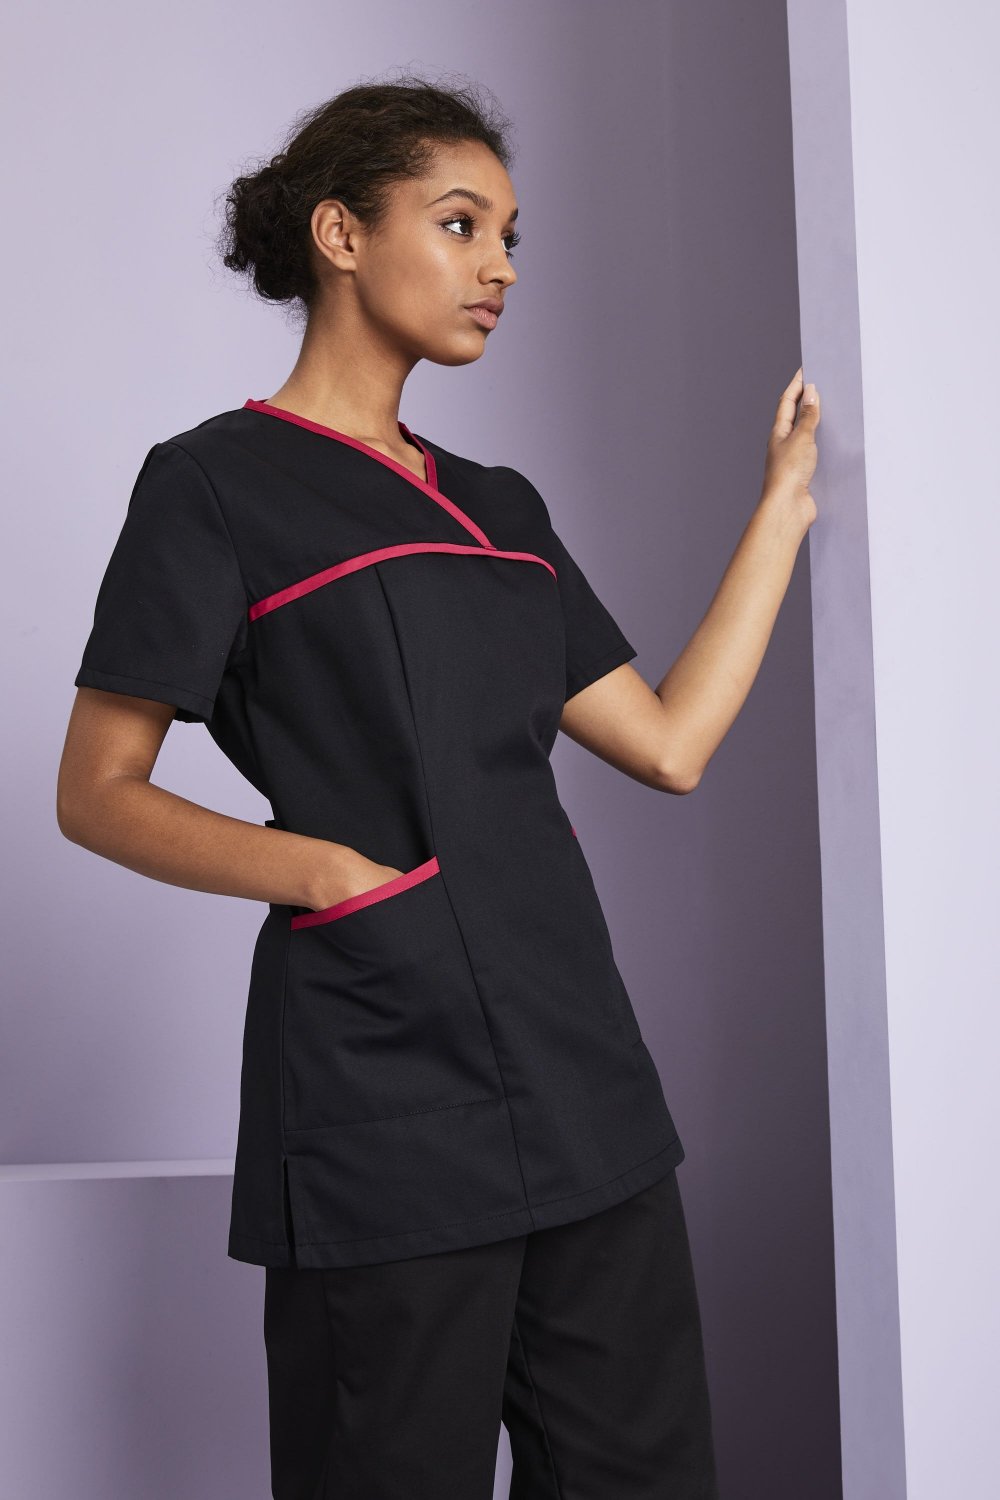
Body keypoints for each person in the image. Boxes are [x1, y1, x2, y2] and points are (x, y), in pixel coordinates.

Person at [57, 72, 819, 1500]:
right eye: (462, 225)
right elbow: (97, 789)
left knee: (645, 1474)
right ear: (341, 235)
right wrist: (327, 872)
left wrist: (781, 506)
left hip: (582, 1075)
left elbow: (669, 744)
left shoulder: (501, 506)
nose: (501, 267)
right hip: (381, 1084)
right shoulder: (215, 485)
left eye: (511, 238)